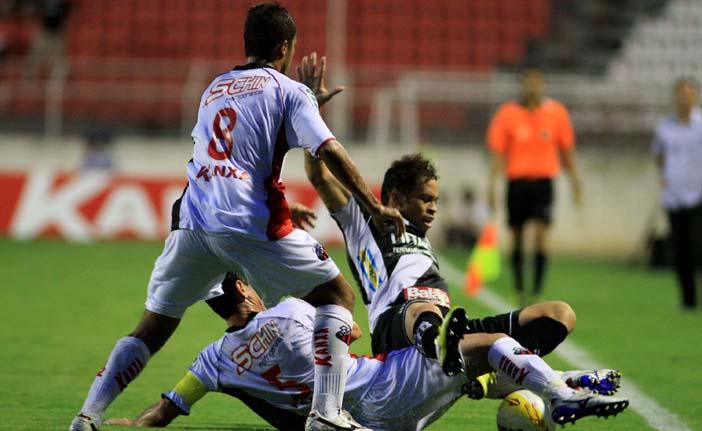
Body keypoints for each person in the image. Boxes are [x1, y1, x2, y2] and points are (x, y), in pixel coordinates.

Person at [69, 4, 405, 431]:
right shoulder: (288, 91)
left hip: (192, 223)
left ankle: (87, 416)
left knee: (153, 326)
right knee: (337, 297)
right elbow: (329, 150)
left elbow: (221, 157)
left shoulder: (213, 89)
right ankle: (325, 413)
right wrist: (373, 205)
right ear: (285, 47)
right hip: (249, 222)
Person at [104, 276, 629, 430]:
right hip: (377, 385)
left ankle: (572, 381)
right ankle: (560, 390)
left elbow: (166, 410)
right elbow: (347, 327)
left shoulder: (213, 359)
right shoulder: (288, 312)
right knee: (487, 347)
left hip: (362, 423)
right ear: (243, 293)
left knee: (476, 368)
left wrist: (131, 424)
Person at [305, 150, 590, 402]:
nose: (433, 208)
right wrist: (310, 118)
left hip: (446, 328)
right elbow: (319, 176)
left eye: (435, 200)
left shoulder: (424, 241)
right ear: (396, 198)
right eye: (425, 199)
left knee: (559, 314)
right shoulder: (364, 221)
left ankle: (496, 372)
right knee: (421, 308)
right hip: (396, 325)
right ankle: (451, 351)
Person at [486, 69, 583, 306]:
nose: (533, 88)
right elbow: (498, 154)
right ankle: (519, 288)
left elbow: (566, 151)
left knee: (541, 235)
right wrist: (491, 185)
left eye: (537, 83)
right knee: (517, 237)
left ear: (543, 86)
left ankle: (537, 290)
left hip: (543, 183)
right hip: (517, 182)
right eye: (528, 83)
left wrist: (575, 181)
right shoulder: (507, 114)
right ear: (522, 86)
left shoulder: (556, 113)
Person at [652, 77, 702, 311]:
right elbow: (659, 158)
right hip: (674, 196)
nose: (685, 98)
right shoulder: (665, 128)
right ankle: (688, 298)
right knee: (681, 249)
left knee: (696, 245)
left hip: (698, 195)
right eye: (681, 93)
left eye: (689, 93)